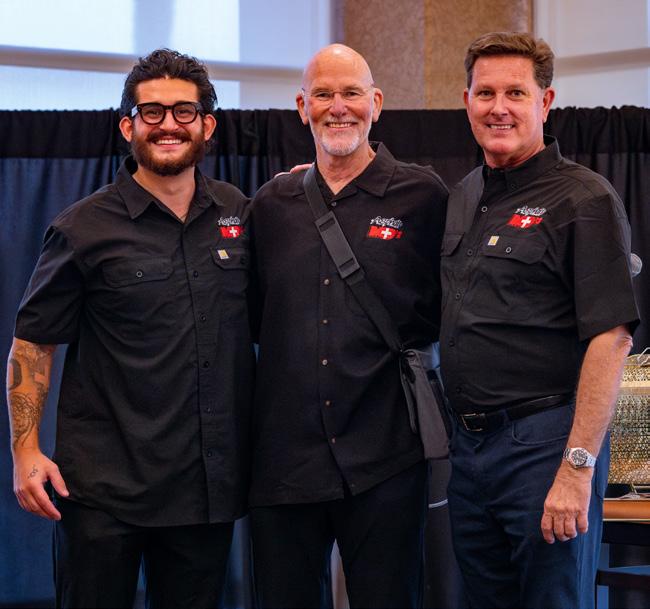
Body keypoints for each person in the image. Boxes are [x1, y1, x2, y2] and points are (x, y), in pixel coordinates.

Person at [6, 49, 254, 609]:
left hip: (203, 492)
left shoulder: (238, 214)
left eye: (184, 111)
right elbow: (33, 343)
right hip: (103, 493)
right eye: (152, 112)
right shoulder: (82, 228)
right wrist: (25, 452)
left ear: (207, 126)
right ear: (128, 127)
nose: (169, 124)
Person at [440, 31, 640, 609]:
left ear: (545, 102)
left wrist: (577, 469)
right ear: (467, 101)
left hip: (545, 449)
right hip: (469, 453)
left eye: (516, 93)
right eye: (485, 93)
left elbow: (612, 338)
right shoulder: (464, 196)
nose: (498, 108)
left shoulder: (585, 199)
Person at [248, 44, 447, 608]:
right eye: (323, 94)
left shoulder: (424, 197)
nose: (338, 107)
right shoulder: (271, 204)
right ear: (302, 107)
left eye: (352, 93)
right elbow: (254, 319)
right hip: (285, 460)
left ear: (376, 102)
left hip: (388, 455)